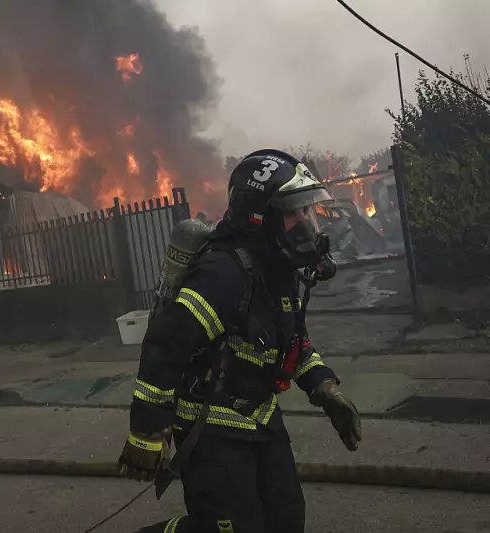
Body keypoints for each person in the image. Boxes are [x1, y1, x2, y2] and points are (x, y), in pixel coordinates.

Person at [118, 149, 362, 533]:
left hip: (261, 418)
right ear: (260, 217)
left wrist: (324, 387)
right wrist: (147, 430)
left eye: (306, 210)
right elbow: (166, 345)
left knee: (286, 521)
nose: (305, 222)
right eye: (293, 212)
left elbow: (291, 342)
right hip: (211, 426)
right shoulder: (223, 273)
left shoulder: (278, 267)